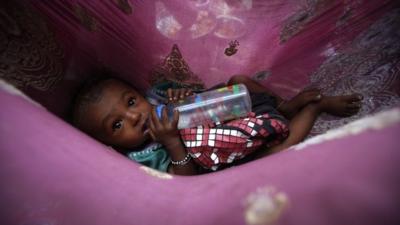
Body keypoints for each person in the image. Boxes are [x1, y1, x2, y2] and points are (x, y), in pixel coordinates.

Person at [72, 75, 362, 175]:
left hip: (235, 106)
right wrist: (172, 142)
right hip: (232, 145)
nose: (134, 116)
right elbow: (181, 178)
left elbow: (199, 90)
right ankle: (316, 106)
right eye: (118, 124)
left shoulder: (157, 97)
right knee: (280, 151)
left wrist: (183, 94)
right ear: (110, 145)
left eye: (131, 102)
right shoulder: (144, 157)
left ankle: (284, 105)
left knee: (239, 79)